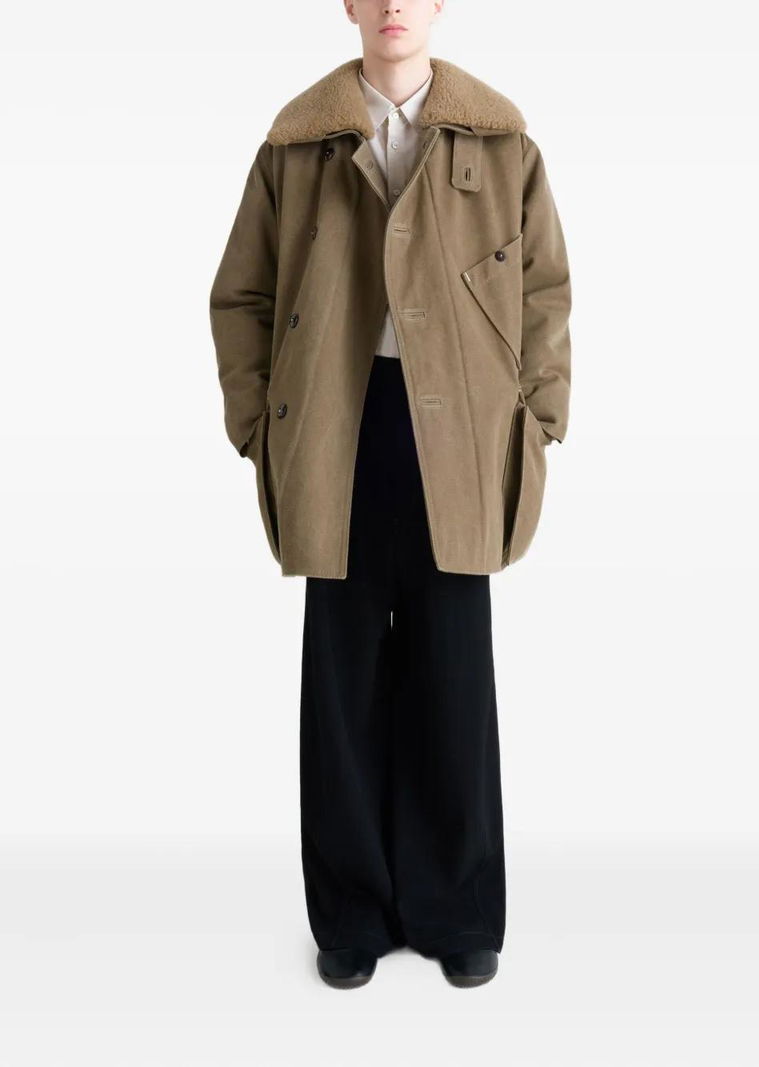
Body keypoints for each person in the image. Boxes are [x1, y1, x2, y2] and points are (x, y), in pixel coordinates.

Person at [209, 0, 571, 989]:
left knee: (453, 672)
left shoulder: (502, 142)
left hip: (460, 432)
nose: (393, 5)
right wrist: (257, 426)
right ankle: (351, 913)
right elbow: (240, 295)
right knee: (343, 678)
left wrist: (537, 420)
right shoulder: (295, 146)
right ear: (349, 5)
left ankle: (458, 911)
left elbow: (545, 291)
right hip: (339, 425)